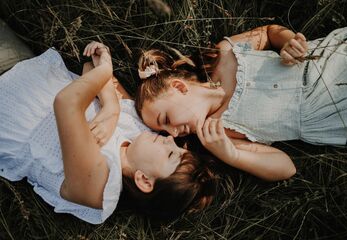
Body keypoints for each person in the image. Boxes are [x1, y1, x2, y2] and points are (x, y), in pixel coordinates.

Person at [0, 41, 217, 224]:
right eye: (177, 148)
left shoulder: (98, 186)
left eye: (171, 154)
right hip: (21, 63)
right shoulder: (137, 129)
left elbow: (66, 104)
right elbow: (89, 69)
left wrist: (105, 70)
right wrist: (111, 107)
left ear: (145, 180)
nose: (170, 139)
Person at [135, 23, 347, 181]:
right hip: (336, 111)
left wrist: (289, 42)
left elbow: (269, 32)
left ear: (179, 87)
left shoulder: (224, 56)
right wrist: (232, 155)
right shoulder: (218, 134)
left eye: (166, 120)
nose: (173, 134)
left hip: (332, 60)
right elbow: (285, 167)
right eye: (165, 132)